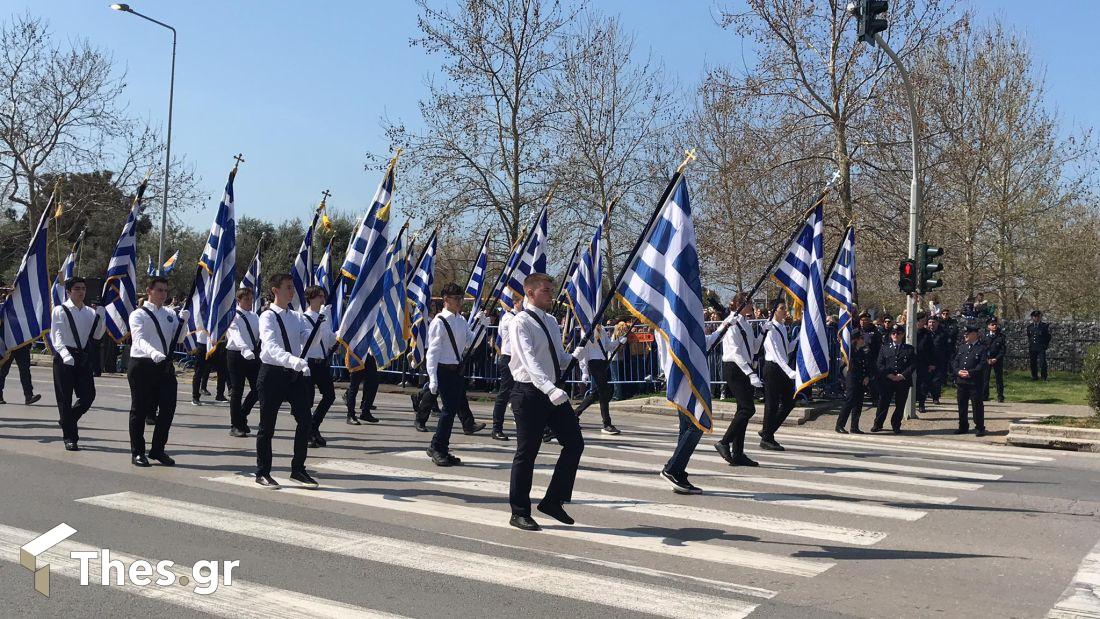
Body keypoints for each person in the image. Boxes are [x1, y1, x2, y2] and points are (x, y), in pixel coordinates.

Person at [507, 273, 586, 530]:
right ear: (530, 293)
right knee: (527, 452)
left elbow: (556, 359)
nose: (551, 295)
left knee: (574, 443)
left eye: (552, 290)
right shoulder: (520, 323)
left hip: (552, 390)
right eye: (546, 290)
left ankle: (553, 500)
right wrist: (550, 389)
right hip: (529, 393)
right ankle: (519, 511)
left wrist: (574, 355)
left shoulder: (551, 321)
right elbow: (530, 362)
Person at [255, 273, 318, 488]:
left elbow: (309, 340)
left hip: (294, 374)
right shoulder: (267, 316)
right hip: (272, 373)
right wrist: (293, 361)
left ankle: (298, 469)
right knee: (267, 427)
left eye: (293, 288)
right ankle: (262, 472)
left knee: (305, 420)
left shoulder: (296, 316)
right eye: (288, 287)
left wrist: (318, 324)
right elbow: (270, 347)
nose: (292, 291)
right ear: (275, 291)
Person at [128, 276, 188, 467]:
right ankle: (137, 451)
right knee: (140, 409)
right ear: (149, 291)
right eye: (159, 290)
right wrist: (153, 353)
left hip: (164, 366)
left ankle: (157, 449)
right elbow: (138, 339)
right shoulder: (138, 314)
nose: (163, 294)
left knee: (168, 408)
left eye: (165, 290)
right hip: (143, 364)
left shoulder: (169, 313)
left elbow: (178, 339)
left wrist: (184, 322)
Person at [424, 283, 487, 466]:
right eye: (456, 299)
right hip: (443, 370)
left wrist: (482, 327)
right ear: (446, 300)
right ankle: (437, 448)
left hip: (457, 370)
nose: (460, 302)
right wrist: (432, 377)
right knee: (448, 412)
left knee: (450, 412)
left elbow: (470, 343)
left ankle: (439, 446)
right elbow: (433, 351)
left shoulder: (461, 320)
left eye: (461, 298)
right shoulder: (439, 321)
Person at [50, 277, 106, 451]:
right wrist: (65, 355)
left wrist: (101, 319)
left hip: (82, 357)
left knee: (88, 395)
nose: (81, 292)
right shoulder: (60, 310)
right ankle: (70, 437)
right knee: (64, 399)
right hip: (64, 356)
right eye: (77, 288)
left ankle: (67, 420)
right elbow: (56, 335)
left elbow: (96, 336)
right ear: (68, 291)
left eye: (83, 288)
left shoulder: (89, 312)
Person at [707, 293, 762, 466]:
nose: (751, 306)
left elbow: (753, 348)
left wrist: (763, 333)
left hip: (744, 368)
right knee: (747, 409)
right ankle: (724, 442)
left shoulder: (744, 322)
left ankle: (738, 453)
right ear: (740, 304)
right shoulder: (731, 322)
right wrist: (751, 374)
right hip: (735, 368)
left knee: (742, 410)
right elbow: (734, 352)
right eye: (748, 303)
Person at [301, 286, 337, 448]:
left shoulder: (325, 318)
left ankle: (313, 427)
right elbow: (308, 342)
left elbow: (329, 342)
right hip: (308, 363)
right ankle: (307, 433)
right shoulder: (302, 318)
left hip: (321, 363)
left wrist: (340, 333)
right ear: (310, 298)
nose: (322, 299)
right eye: (319, 296)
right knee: (307, 401)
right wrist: (322, 321)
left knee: (330, 396)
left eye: (323, 296)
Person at [575, 323, 626, 435]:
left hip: (602, 362)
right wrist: (584, 371)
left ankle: (575, 414)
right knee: (603, 392)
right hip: (593, 363)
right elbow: (583, 351)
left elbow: (608, 346)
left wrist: (619, 341)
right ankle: (606, 424)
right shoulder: (586, 328)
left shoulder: (602, 328)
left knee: (597, 393)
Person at [759, 303, 797, 451]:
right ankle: (767, 438)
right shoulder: (770, 328)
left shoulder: (781, 327)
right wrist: (789, 371)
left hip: (782, 367)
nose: (785, 311)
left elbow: (786, 349)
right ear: (773, 311)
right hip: (773, 368)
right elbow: (775, 353)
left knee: (789, 402)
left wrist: (799, 338)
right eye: (782, 308)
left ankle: (767, 431)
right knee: (772, 404)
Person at [225, 286, 260, 437]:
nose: (250, 302)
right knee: (237, 391)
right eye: (246, 299)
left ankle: (242, 415)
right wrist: (244, 348)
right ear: (238, 300)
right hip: (236, 355)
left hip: (252, 355)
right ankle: (235, 425)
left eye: (251, 299)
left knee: (258, 388)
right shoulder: (233, 316)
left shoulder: (255, 316)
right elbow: (235, 334)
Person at [871, 325, 915, 434]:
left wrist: (902, 375)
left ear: (902, 335)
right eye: (894, 333)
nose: (896, 335)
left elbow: (913, 364)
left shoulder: (909, 349)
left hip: (902, 381)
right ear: (891, 335)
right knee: (883, 403)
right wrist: (888, 375)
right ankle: (878, 424)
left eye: (898, 333)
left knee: (900, 405)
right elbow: (880, 364)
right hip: (887, 380)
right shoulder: (885, 348)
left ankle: (896, 425)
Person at [953, 326, 988, 436]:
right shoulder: (962, 347)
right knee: (962, 405)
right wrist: (958, 371)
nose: (965, 336)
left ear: (975, 334)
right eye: (965, 334)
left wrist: (971, 373)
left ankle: (979, 427)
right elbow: (955, 362)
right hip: (961, 381)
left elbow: (982, 364)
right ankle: (963, 426)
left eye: (968, 334)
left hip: (974, 381)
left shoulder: (981, 348)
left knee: (977, 405)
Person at [490, 306, 519, 441]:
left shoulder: (517, 316)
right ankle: (497, 428)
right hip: (508, 358)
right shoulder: (509, 317)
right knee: (504, 393)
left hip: (518, 359)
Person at [836, 330, 870, 434]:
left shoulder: (862, 351)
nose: (863, 340)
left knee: (859, 403)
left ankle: (854, 426)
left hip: (861, 379)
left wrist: (867, 376)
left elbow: (866, 365)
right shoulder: (850, 352)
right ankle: (839, 425)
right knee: (849, 401)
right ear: (855, 340)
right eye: (861, 338)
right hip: (853, 378)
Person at [344, 355, 381, 425]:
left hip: (370, 356)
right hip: (357, 355)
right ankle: (350, 415)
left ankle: (365, 412)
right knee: (354, 387)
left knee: (373, 384)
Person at [914, 312, 936, 414]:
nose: (924, 323)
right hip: (911, 362)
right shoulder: (909, 331)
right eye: (923, 321)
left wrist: (932, 363)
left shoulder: (927, 333)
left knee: (923, 384)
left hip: (923, 362)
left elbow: (932, 349)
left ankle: (921, 404)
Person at [928, 316, 951, 404]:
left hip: (939, 360)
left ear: (937, 323)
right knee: (927, 380)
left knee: (937, 380)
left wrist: (946, 359)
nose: (931, 324)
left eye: (933, 322)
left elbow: (947, 348)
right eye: (930, 322)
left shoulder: (943, 334)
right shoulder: (926, 333)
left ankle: (936, 397)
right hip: (927, 360)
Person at [982, 317, 1006, 403]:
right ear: (988, 326)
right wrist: (987, 359)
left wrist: (996, 358)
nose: (995, 326)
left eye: (995, 324)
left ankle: (1000, 396)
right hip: (987, 359)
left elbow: (1002, 350)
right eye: (992, 324)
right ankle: (984, 395)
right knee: (985, 378)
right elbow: (982, 349)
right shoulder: (984, 336)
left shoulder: (1001, 336)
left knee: (999, 378)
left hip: (997, 360)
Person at [1027, 310, 1051, 381]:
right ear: (1032, 317)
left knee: (1042, 362)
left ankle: (1044, 376)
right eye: (1035, 317)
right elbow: (1029, 336)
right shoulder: (1029, 327)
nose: (1036, 318)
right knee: (1033, 362)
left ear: (1040, 317)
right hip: (1033, 347)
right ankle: (1034, 376)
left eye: (1038, 316)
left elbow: (1048, 337)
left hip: (1041, 347)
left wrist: (1045, 345)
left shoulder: (1044, 326)